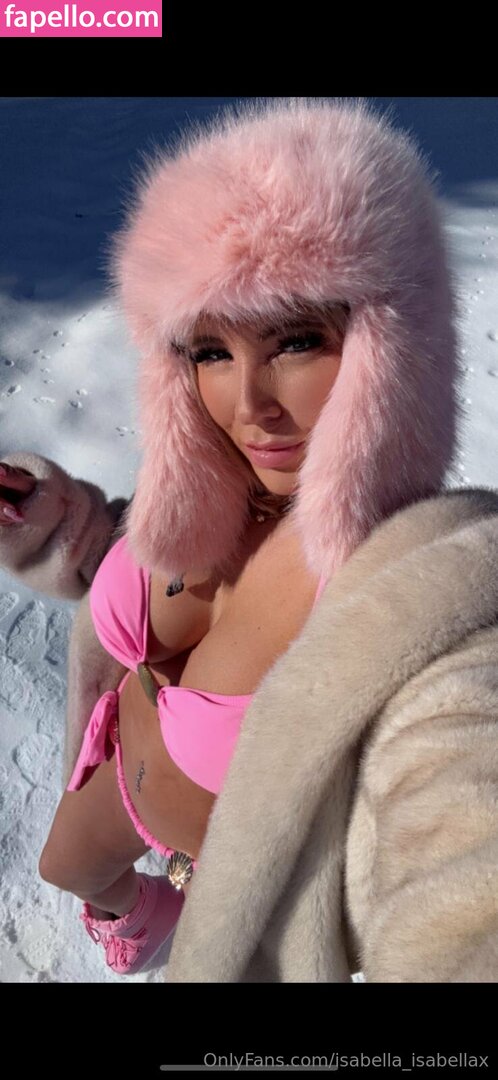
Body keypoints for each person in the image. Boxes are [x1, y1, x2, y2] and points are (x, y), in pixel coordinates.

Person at [2, 96, 498, 982]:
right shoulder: (217, 478)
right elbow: (127, 559)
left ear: (392, 350)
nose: (248, 405)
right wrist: (55, 526)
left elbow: (461, 859)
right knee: (63, 870)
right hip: (115, 773)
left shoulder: (418, 594)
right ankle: (140, 914)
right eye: (211, 351)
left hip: (227, 867)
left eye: (296, 340)